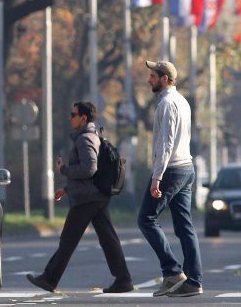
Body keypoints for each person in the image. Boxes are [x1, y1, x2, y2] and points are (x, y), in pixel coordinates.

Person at [26, 101, 133, 293]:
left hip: (87, 199)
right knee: (108, 239)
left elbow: (89, 169)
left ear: (83, 118)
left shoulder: (85, 139)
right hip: (95, 196)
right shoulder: (90, 137)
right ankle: (123, 279)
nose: (70, 118)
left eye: (73, 115)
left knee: (68, 241)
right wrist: (67, 189)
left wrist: (64, 169)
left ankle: (49, 279)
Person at [137, 60, 203, 298]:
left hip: (172, 170)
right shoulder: (182, 102)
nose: (149, 80)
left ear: (165, 78)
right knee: (185, 226)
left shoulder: (166, 104)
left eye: (153, 76)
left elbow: (166, 143)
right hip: (186, 167)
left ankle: (172, 271)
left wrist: (157, 177)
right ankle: (193, 281)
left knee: (146, 219)